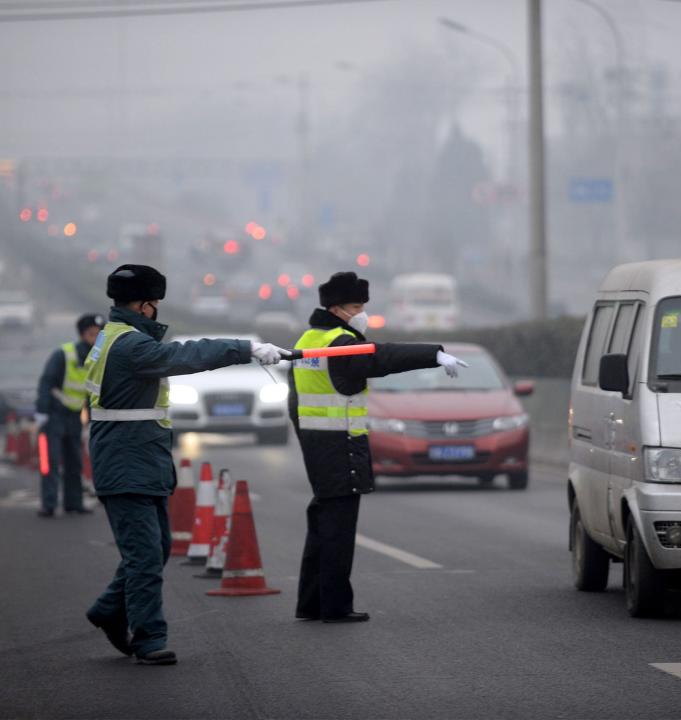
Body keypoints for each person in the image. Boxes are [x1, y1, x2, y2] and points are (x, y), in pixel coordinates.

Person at [84, 264, 288, 665]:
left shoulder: (115, 336)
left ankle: (108, 610)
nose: (156, 310)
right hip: (127, 463)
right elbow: (184, 355)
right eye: (155, 303)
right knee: (145, 558)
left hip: (138, 460)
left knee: (156, 549)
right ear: (144, 305)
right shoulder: (130, 346)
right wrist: (245, 348)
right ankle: (148, 639)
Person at [289, 271, 467, 622]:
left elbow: (295, 402)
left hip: (317, 443)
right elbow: (380, 358)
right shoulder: (341, 342)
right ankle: (336, 607)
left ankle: (312, 603)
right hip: (340, 445)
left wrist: (307, 439)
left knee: (322, 525)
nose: (362, 313)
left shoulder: (310, 338)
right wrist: (434, 354)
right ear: (337, 308)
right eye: (356, 306)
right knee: (338, 530)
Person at [34, 313, 105, 518]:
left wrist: (93, 420)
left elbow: (92, 393)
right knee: (51, 462)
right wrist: (41, 412)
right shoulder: (65, 354)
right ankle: (48, 504)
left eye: (100, 335)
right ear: (83, 335)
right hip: (53, 415)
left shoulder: (97, 360)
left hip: (74, 417)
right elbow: (46, 382)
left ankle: (73, 503)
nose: (96, 339)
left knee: (75, 463)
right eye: (93, 334)